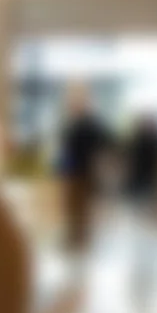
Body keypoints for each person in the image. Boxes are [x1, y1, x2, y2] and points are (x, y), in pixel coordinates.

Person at [53, 83, 114, 252]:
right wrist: (62, 170)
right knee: (72, 207)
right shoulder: (72, 124)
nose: (73, 104)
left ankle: (80, 239)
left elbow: (107, 146)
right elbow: (65, 149)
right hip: (73, 172)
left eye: (77, 100)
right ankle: (75, 237)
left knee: (82, 208)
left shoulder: (92, 125)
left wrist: (102, 167)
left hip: (85, 172)